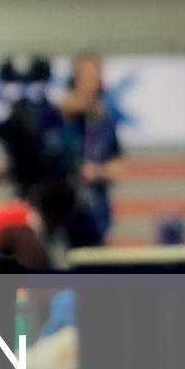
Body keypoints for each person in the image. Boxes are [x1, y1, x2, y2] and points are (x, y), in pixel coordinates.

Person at [57, 51, 122, 248]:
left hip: (95, 213)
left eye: (95, 78)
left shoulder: (104, 120)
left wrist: (98, 172)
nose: (91, 84)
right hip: (62, 213)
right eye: (86, 78)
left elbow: (118, 166)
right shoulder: (57, 119)